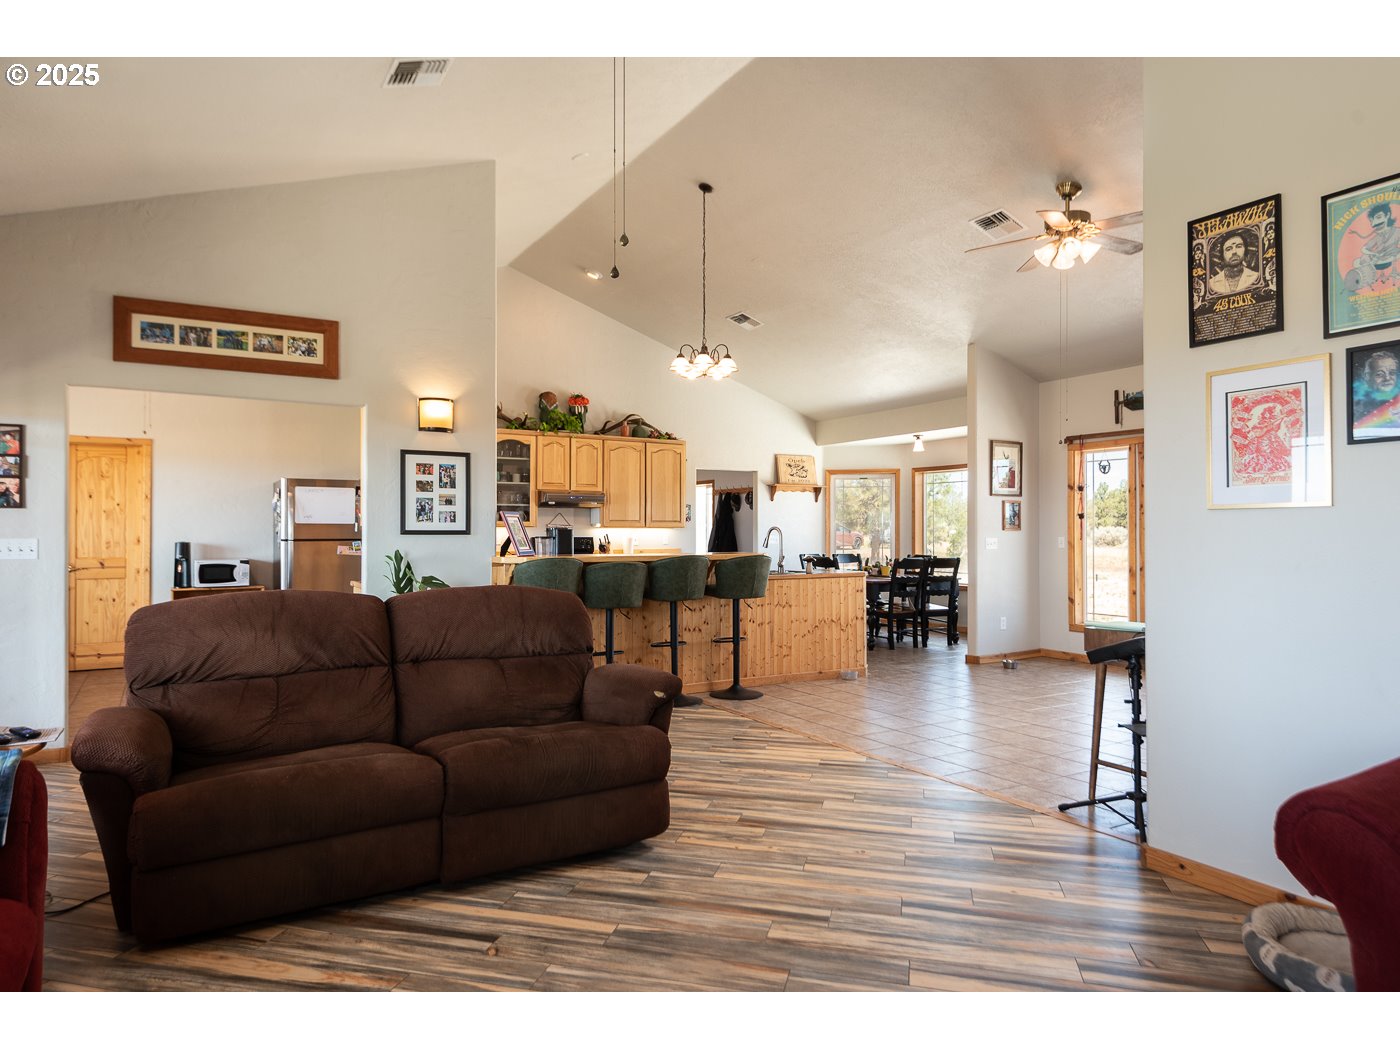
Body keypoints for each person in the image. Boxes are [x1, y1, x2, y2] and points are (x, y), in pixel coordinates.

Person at [1353, 348, 1400, 427]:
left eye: (1392, 373)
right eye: (1379, 374)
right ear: (1367, 376)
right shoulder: (1356, 406)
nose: (1387, 378)